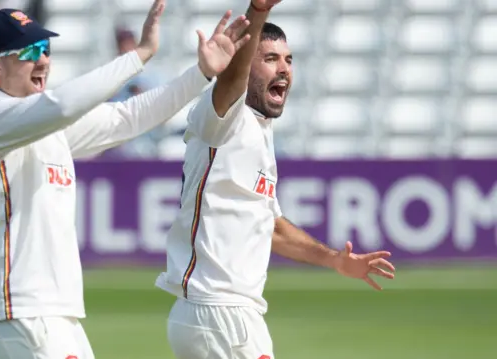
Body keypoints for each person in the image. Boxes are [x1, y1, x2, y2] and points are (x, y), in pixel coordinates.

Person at [0, 1, 252, 358]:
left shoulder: (43, 126)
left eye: (46, 49)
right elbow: (61, 106)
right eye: (29, 51)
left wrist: (200, 74)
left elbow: (128, 118)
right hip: (20, 311)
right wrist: (138, 56)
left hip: (48, 314)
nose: (43, 61)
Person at [155, 1, 397, 358]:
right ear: (245, 62)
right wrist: (258, 11)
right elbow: (232, 78)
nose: (283, 68)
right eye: (270, 58)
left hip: (217, 316)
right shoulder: (223, 114)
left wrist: (334, 260)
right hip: (222, 314)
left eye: (288, 59)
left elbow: (271, 227)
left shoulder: (258, 128)